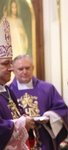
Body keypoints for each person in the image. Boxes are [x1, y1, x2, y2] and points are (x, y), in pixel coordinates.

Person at [9, 54, 68, 150]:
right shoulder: (7, 93)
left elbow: (61, 109)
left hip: (43, 139)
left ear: (33, 67)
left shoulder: (48, 89)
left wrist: (50, 116)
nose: (25, 72)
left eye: (27, 68)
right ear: (13, 70)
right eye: (21, 69)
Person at [0, 18, 34, 149]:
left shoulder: (7, 91)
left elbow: (17, 115)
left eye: (11, 63)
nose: (11, 68)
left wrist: (25, 120)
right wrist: (23, 122)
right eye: (5, 63)